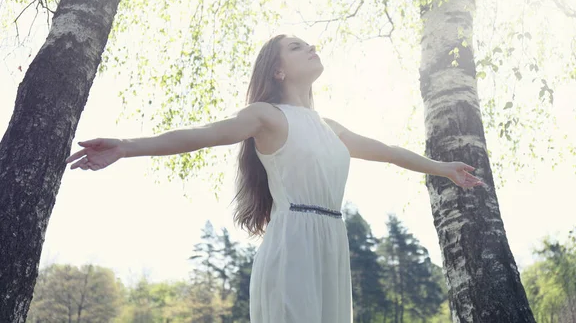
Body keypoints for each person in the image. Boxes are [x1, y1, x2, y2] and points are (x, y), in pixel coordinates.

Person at [65, 33, 484, 322]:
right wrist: (125, 145)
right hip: (293, 245)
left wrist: (442, 168)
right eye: (297, 47)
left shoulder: (331, 127)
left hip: (331, 245)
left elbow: (390, 153)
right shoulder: (265, 116)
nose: (311, 49)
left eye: (309, 44)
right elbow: (205, 135)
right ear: (278, 71)